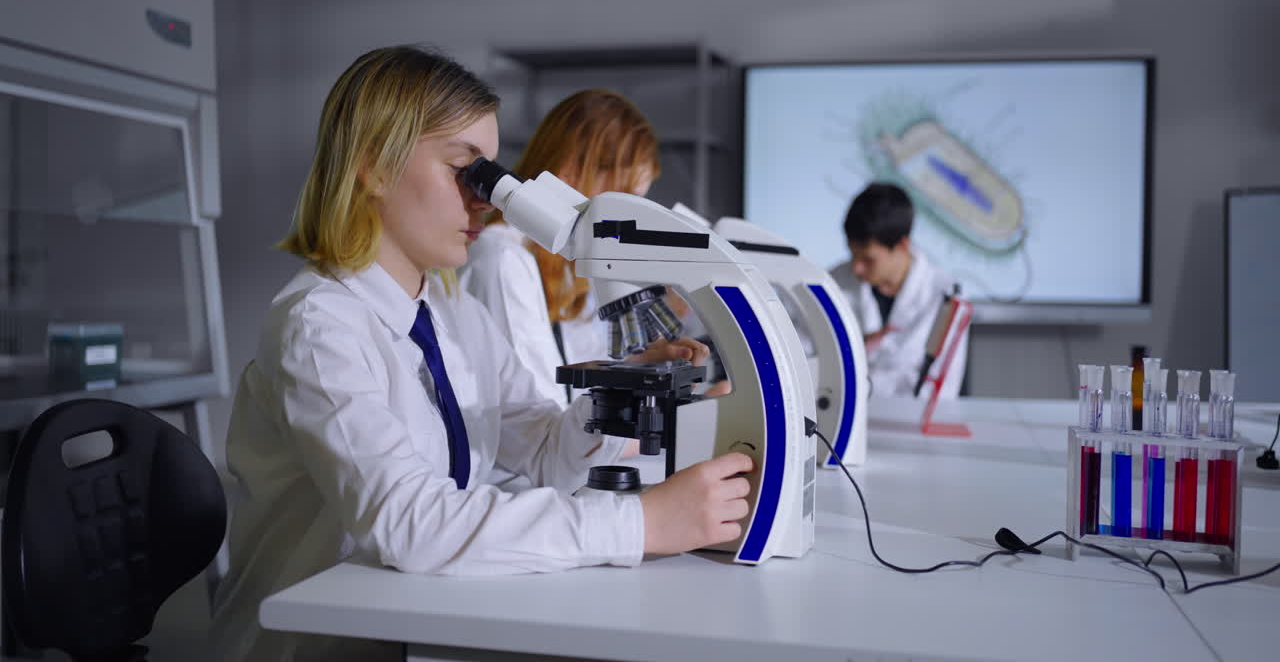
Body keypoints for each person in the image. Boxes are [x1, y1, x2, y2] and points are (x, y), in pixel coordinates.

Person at [209, 46, 753, 662]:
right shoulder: (320, 325)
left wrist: (622, 388)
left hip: (420, 618)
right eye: (464, 171)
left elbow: (545, 452)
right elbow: (409, 523)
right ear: (374, 166)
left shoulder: (447, 308)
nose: (487, 199)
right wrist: (640, 525)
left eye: (489, 176)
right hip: (315, 645)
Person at [460, 89, 663, 410]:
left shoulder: (566, 262)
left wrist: (645, 358)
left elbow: (582, 360)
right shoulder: (502, 259)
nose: (627, 220)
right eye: (622, 200)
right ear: (570, 171)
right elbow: (538, 419)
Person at [828, 182, 968, 399]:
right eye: (853, 255)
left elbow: (942, 390)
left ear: (902, 245)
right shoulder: (832, 283)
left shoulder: (944, 295)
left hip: (909, 422)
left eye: (868, 259)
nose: (856, 268)